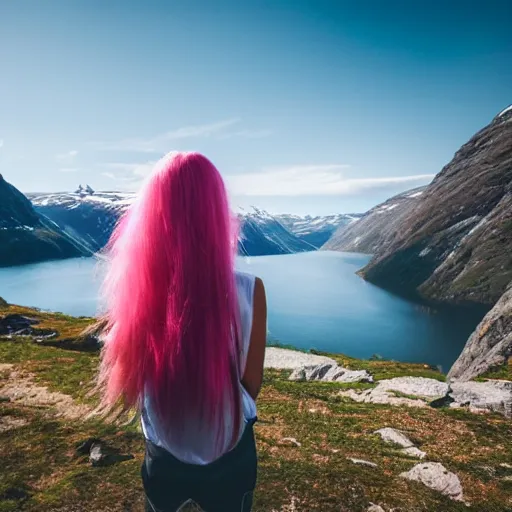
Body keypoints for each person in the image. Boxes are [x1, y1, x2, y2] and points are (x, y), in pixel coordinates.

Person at [98, 152, 267, 512]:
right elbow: (250, 385)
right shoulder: (249, 290)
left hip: (163, 453)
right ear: (215, 213)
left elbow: (131, 376)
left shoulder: (137, 291)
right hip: (230, 452)